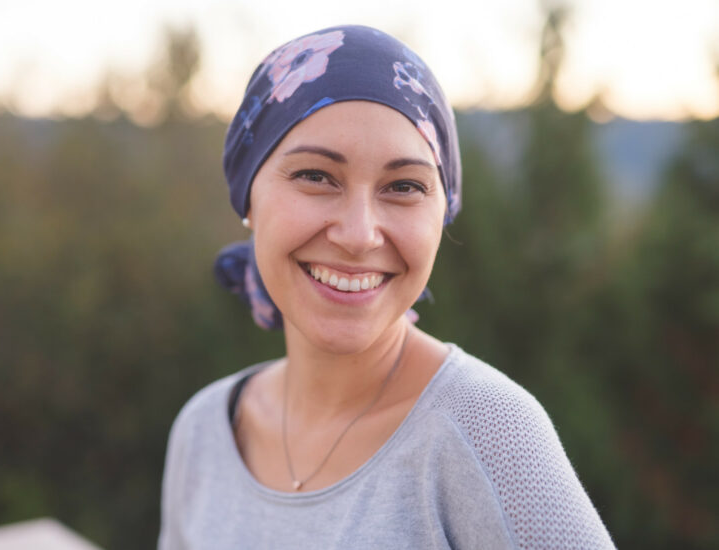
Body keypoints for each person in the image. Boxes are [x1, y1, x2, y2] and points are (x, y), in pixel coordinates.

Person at [159, 25, 614, 549]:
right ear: (249, 200)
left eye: (404, 187)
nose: (358, 235)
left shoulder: (487, 431)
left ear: (442, 215)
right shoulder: (204, 433)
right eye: (315, 176)